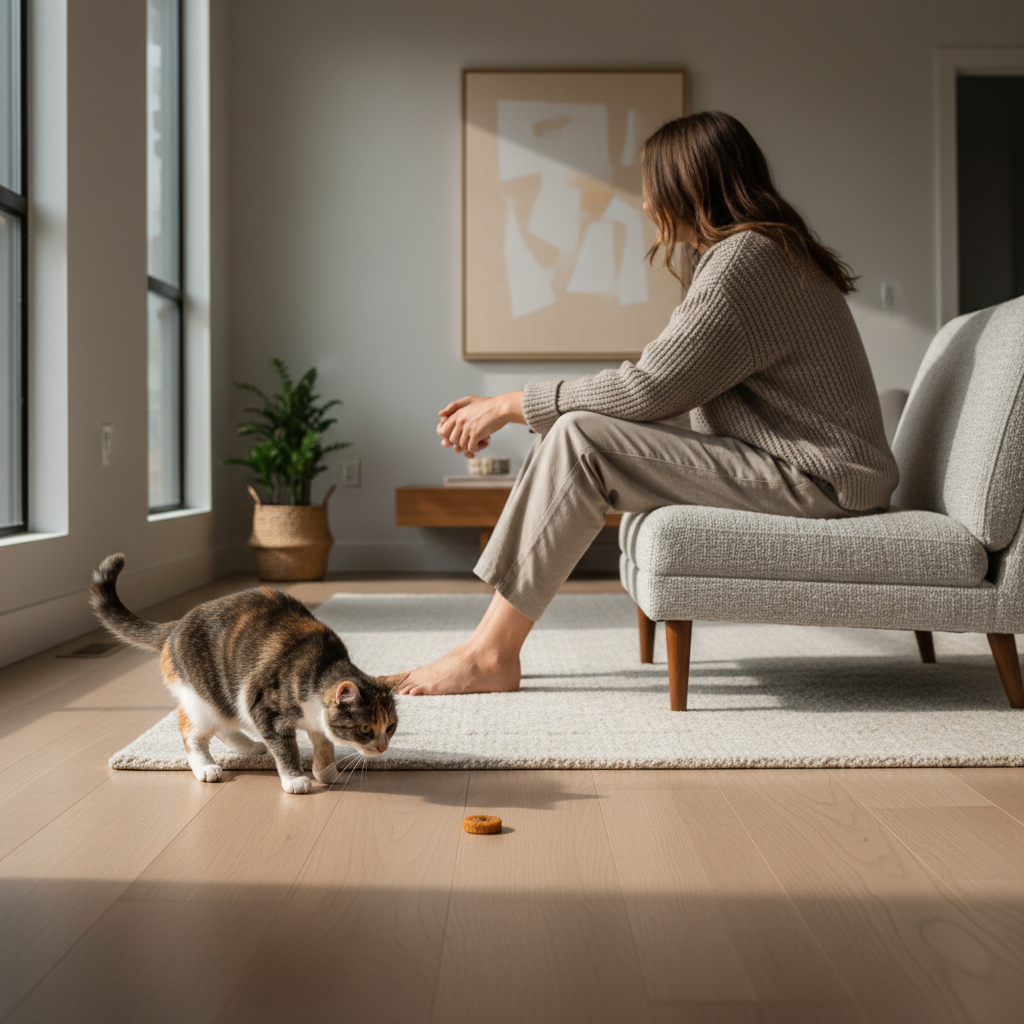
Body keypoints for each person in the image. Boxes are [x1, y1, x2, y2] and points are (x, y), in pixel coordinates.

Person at [394, 111, 898, 697]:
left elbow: (651, 388)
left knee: (582, 438)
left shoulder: (749, 260)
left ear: (690, 184)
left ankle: (488, 655)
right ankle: (484, 647)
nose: (644, 204)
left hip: (820, 482)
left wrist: (511, 404)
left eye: (652, 186)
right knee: (579, 431)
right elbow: (668, 392)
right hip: (805, 471)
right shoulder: (758, 253)